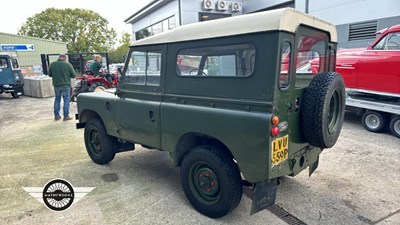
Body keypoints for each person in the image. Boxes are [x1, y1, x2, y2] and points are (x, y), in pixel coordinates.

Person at [48, 54, 76, 121]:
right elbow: (73, 75)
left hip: (56, 85)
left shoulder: (52, 64)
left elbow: (50, 75)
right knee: (66, 100)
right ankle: (66, 116)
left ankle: (56, 116)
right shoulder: (68, 65)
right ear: (65, 58)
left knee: (57, 99)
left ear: (59, 57)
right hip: (66, 85)